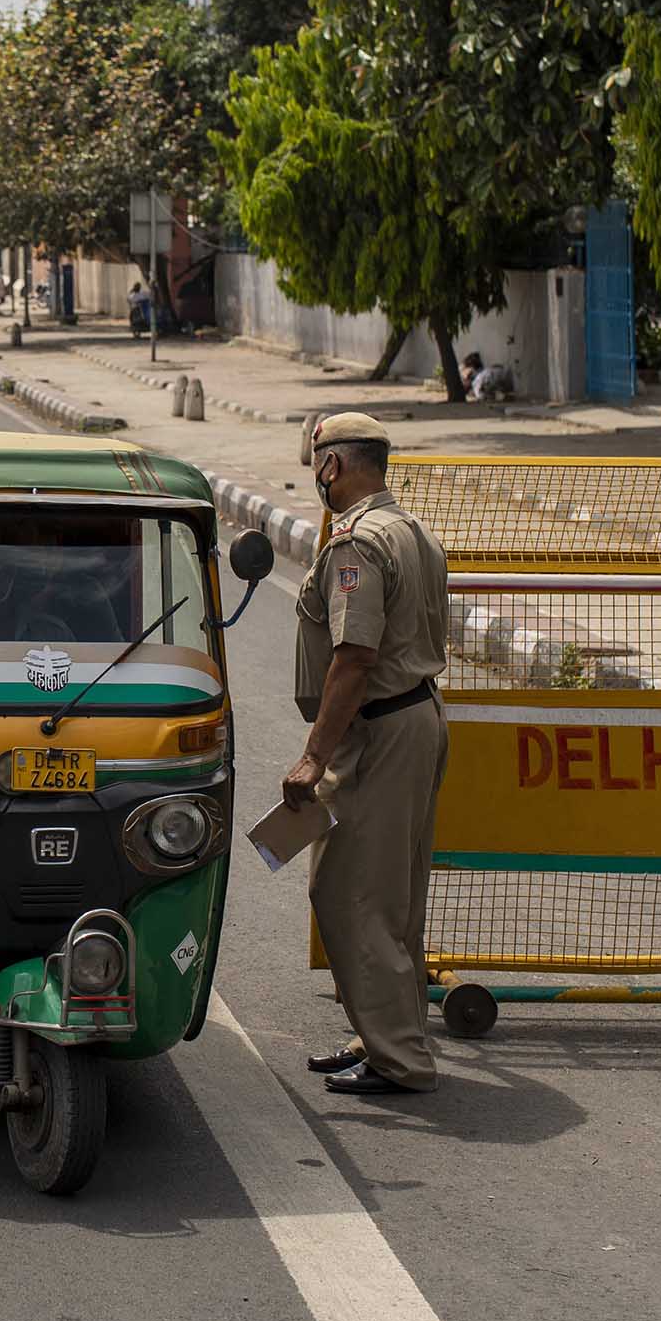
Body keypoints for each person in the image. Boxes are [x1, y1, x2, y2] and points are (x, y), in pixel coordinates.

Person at [281, 411, 451, 1097]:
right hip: (413, 717)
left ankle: (398, 1059)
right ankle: (383, 1035)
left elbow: (353, 658)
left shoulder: (357, 544)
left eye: (315, 468)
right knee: (393, 898)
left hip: (377, 729)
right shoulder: (410, 530)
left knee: (349, 894)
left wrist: (313, 757)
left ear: (333, 467)